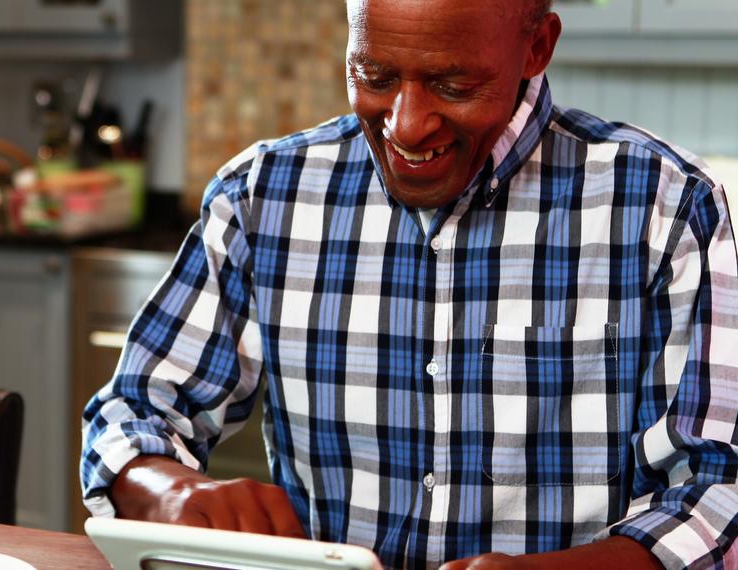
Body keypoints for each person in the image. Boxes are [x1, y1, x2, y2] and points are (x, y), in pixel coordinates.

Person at [80, 0, 738, 567]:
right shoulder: (262, 197)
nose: (407, 125)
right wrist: (167, 490)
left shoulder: (665, 206)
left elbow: (719, 483)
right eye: (374, 75)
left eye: (453, 85)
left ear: (536, 47)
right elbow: (131, 413)